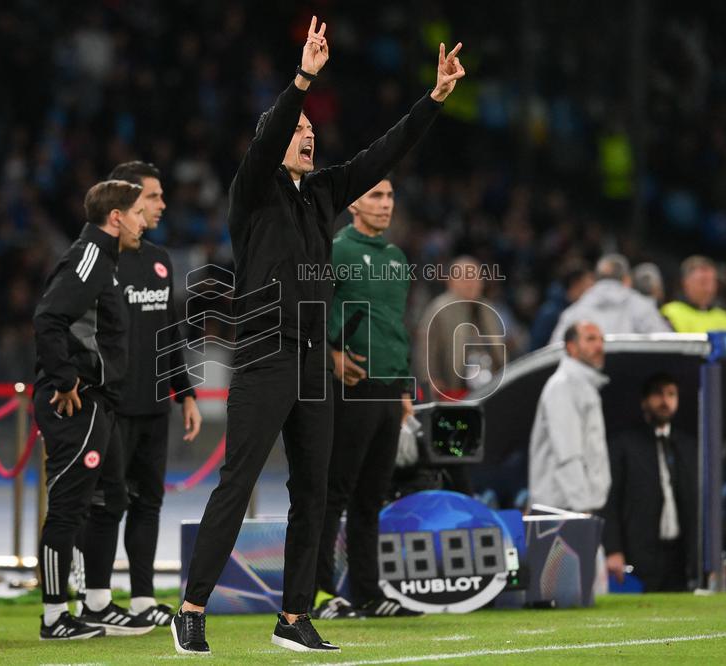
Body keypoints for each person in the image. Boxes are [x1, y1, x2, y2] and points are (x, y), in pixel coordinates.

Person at [172, 17, 465, 655]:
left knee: (313, 491)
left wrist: (434, 99)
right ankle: (191, 607)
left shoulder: (324, 194)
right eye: (298, 132)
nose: (307, 138)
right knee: (239, 480)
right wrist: (303, 79)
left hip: (312, 364)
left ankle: (294, 616)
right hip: (262, 351)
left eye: (311, 133)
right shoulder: (251, 191)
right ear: (274, 142)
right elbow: (276, 126)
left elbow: (383, 153)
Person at [76, 162, 203, 633]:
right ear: (124, 205)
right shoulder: (97, 260)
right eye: (152, 196)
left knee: (149, 502)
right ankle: (97, 600)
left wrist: (184, 393)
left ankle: (144, 598)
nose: (161, 205)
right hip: (111, 406)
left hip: (153, 405)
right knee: (107, 504)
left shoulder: (159, 259)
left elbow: (169, 333)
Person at [32, 180, 146, 640]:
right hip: (77, 402)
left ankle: (96, 602)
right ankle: (54, 616)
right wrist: (64, 379)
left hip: (101, 403)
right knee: (67, 508)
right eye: (137, 212)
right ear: (115, 217)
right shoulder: (91, 258)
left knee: (110, 500)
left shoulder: (106, 261)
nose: (143, 222)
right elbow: (47, 318)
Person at [312, 178, 421, 620]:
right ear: (353, 201)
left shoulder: (396, 259)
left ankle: (368, 594)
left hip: (388, 389)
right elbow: (309, 311)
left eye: (391, 196)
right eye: (376, 195)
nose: (385, 204)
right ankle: (319, 594)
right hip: (350, 386)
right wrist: (331, 356)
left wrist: (405, 388)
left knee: (371, 497)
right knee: (333, 492)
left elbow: (396, 329)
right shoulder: (335, 250)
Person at [601, 373, 698, 592]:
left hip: (680, 556)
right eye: (658, 394)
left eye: (671, 394)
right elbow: (610, 499)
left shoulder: (688, 446)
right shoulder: (624, 444)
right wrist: (613, 549)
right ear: (644, 401)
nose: (665, 401)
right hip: (640, 554)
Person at [528, 321, 610, 513]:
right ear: (571, 348)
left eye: (601, 340)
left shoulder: (583, 386)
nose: (599, 346)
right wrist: (582, 506)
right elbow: (567, 454)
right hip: (562, 510)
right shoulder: (563, 386)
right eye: (590, 339)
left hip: (573, 507)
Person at [415, 256, 505, 402]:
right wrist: (430, 379)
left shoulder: (488, 309)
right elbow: (426, 349)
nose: (471, 284)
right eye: (465, 279)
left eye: (475, 278)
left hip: (487, 382)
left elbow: (499, 349)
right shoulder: (438, 309)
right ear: (451, 282)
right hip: (451, 387)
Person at [549, 254, 670, 345]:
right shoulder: (642, 306)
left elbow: (555, 352)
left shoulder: (573, 312)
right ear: (627, 280)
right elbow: (666, 344)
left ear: (597, 279)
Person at [530, 261, 594, 351]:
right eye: (589, 284)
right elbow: (536, 349)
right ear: (577, 283)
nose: (593, 289)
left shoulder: (582, 310)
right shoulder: (550, 312)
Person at [661, 255, 726, 333]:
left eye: (712, 282)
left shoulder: (724, 317)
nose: (709, 288)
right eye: (703, 282)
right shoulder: (671, 313)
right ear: (686, 283)